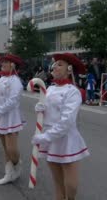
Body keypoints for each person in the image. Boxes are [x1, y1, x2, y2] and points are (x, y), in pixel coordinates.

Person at [32, 53, 90, 200]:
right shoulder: (49, 89)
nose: (55, 67)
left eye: (60, 64)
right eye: (55, 64)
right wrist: (40, 109)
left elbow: (66, 121)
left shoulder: (72, 91)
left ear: (69, 70)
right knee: (58, 183)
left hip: (66, 139)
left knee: (71, 186)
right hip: (51, 138)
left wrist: (45, 137)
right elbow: (48, 113)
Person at [0, 54, 24, 185]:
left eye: (6, 62)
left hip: (11, 117)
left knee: (11, 149)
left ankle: (17, 164)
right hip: (0, 117)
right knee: (5, 147)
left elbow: (12, 102)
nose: (2, 64)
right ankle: (9, 172)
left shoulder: (16, 81)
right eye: (2, 62)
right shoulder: (1, 79)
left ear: (13, 65)